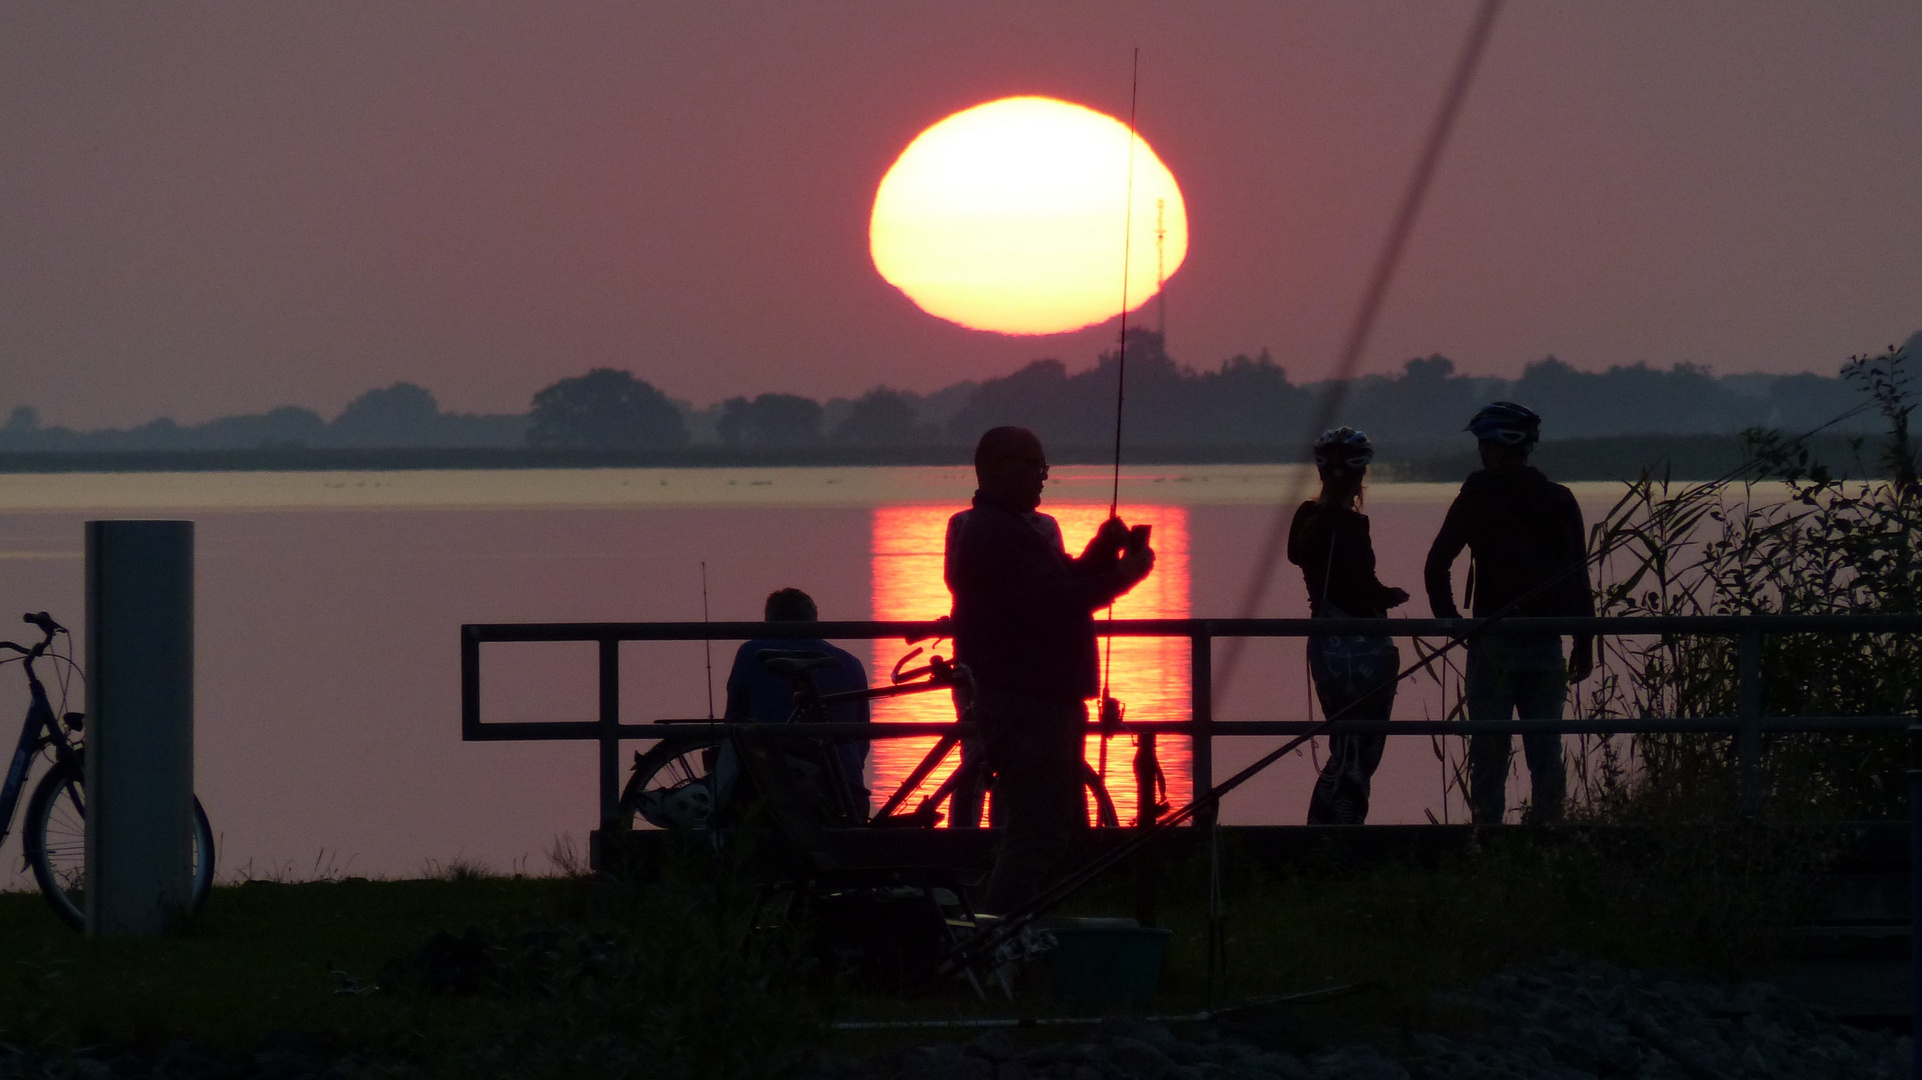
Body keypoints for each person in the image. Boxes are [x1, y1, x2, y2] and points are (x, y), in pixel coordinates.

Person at [944, 426, 1156, 913]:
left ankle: (1021, 932)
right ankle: (1000, 935)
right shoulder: (995, 534)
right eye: (1035, 467)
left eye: (1045, 468)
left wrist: (1104, 551)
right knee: (1037, 831)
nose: (1044, 478)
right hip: (1027, 702)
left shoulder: (1012, 528)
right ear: (998, 468)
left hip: (1040, 698)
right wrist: (1122, 578)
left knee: (1043, 825)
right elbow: (1054, 602)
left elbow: (1060, 578)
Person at [1424, 402, 1595, 824]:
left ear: (1496, 446)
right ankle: (1548, 834)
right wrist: (1585, 644)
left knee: (1488, 751)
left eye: (1483, 443)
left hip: (1490, 644)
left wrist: (1456, 626)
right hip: (1546, 642)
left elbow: (1436, 565)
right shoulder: (1559, 499)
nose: (1480, 452)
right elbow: (1579, 579)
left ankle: (1487, 837)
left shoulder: (1475, 497)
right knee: (1546, 750)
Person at [1287, 427, 1410, 824]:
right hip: (1365, 647)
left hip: (1325, 645)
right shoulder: (1352, 525)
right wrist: (1391, 595)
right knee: (1364, 744)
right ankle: (1343, 823)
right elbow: (1361, 588)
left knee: (1343, 738)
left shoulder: (1306, 516)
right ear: (1360, 476)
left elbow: (1296, 556)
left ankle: (1323, 822)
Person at [720, 587, 871, 820]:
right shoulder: (851, 663)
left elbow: (734, 722)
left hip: (774, 798)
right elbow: (861, 743)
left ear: (768, 621)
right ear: (814, 621)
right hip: (850, 797)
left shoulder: (752, 653)